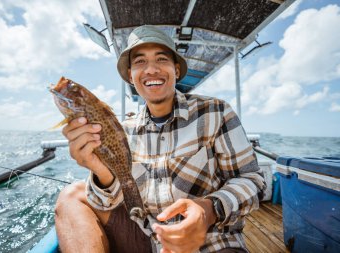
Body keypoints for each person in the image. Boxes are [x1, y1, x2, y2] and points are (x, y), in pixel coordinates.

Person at [55, 25, 266, 253]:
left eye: (162, 59)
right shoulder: (124, 131)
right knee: (72, 195)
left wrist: (208, 210)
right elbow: (116, 199)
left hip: (212, 242)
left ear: (176, 70)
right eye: (140, 62)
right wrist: (99, 171)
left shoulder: (216, 112)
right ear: (130, 76)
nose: (151, 69)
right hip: (148, 237)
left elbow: (252, 179)